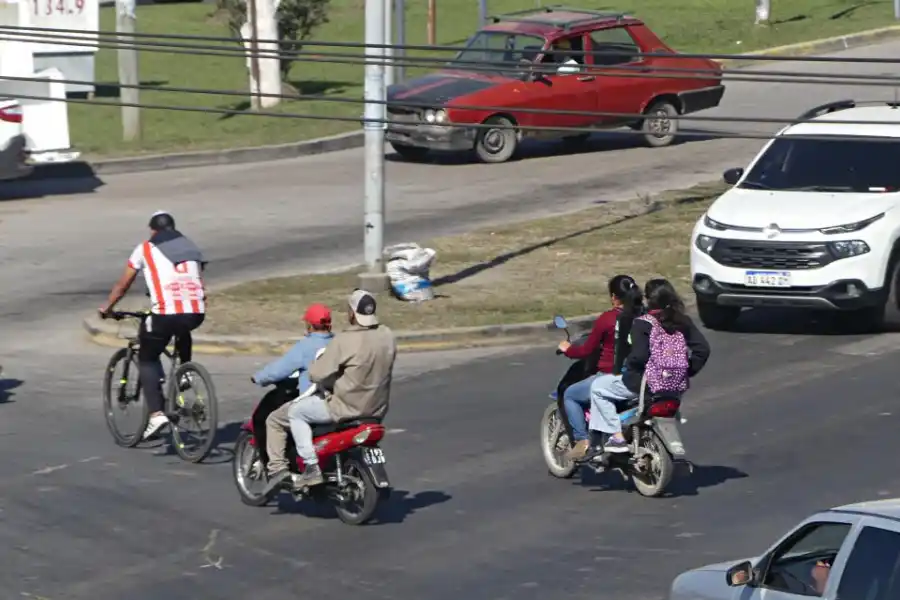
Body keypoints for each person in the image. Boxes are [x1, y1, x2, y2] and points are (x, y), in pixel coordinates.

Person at [267, 289, 397, 491]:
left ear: (352, 313)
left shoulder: (345, 340)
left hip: (344, 408)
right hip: (376, 409)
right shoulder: (387, 335)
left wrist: (314, 368)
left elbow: (317, 374)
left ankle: (311, 466)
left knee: (296, 412)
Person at [99, 211, 206, 440]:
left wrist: (108, 307)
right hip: (197, 311)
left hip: (165, 314)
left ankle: (156, 414)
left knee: (147, 357)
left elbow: (123, 284)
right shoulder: (191, 246)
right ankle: (185, 371)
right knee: (182, 325)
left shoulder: (145, 248)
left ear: (153, 230)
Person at [588, 279, 711, 454]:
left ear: (649, 299)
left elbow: (639, 356)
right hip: (676, 385)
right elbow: (702, 349)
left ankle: (617, 438)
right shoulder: (683, 321)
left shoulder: (643, 322)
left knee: (598, 388)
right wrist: (685, 370)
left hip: (645, 383)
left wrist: (628, 366)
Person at [557, 275, 643, 460]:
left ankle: (582, 441)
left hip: (611, 377)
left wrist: (568, 349)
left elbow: (586, 350)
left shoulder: (608, 319)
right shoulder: (644, 316)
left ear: (614, 297)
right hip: (641, 377)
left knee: (570, 395)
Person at [253, 303, 334, 482]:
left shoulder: (306, 346)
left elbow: (279, 370)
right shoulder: (337, 343)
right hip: (335, 399)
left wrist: (258, 378)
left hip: (312, 400)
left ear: (309, 325)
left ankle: (277, 470)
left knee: (273, 420)